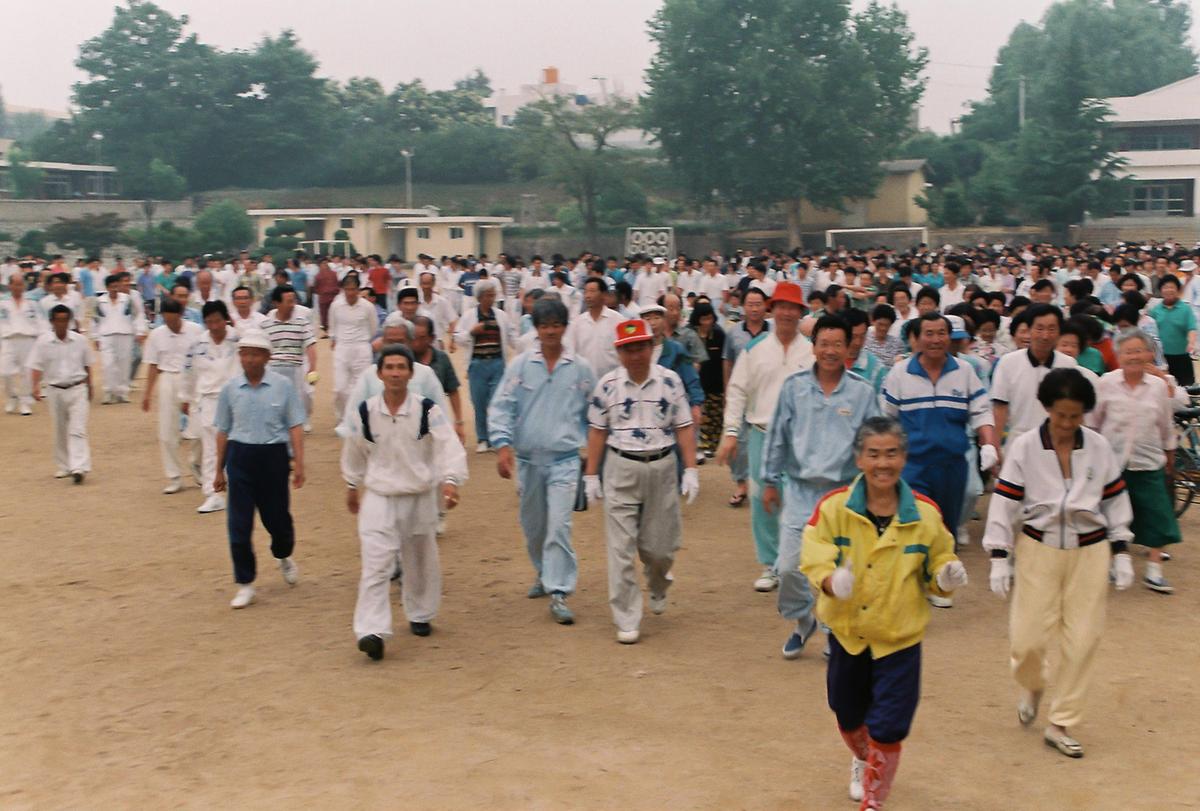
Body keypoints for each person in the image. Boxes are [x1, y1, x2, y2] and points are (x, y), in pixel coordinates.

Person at [801, 417, 966, 809]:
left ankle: (873, 800)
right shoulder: (834, 508)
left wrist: (946, 577)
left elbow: (938, 562)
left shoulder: (924, 515)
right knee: (846, 711)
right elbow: (813, 553)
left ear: (904, 458)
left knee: (890, 725)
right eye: (873, 454)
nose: (883, 463)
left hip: (899, 637)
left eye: (891, 453)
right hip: (849, 632)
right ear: (859, 459)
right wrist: (828, 580)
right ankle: (862, 757)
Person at [983, 368, 1134, 759]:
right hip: (1038, 548)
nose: (1067, 424)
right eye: (1060, 415)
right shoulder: (1025, 447)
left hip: (1090, 551)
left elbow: (1115, 499)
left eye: (1075, 416)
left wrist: (1121, 550)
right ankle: (1033, 684)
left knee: (1083, 639)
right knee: (1027, 640)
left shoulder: (1099, 448)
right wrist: (999, 555)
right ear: (1047, 408)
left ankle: (1061, 721)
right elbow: (1005, 502)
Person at [763, 316, 880, 660]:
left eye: (837, 345)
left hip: (845, 495)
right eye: (823, 344)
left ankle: (832, 629)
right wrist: (769, 480)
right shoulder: (794, 388)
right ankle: (803, 620)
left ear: (848, 348)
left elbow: (874, 443)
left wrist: (875, 490)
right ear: (813, 347)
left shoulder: (862, 392)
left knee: (840, 570)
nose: (830, 351)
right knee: (788, 567)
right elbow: (777, 438)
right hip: (799, 492)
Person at [342, 344, 467, 660]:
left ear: (411, 374)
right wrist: (351, 484)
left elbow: (447, 446)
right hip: (380, 496)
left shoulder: (428, 411)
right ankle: (372, 630)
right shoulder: (365, 412)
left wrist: (450, 480)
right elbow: (354, 451)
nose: (395, 373)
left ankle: (421, 614)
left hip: (418, 494)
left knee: (420, 558)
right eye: (389, 367)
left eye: (401, 367)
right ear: (379, 373)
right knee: (376, 564)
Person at [584, 319, 700, 644]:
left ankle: (659, 580)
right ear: (619, 352)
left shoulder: (670, 381)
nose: (635, 355)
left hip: (662, 467)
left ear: (652, 348)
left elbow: (684, 426)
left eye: (641, 347)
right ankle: (626, 616)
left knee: (660, 547)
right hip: (620, 466)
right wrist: (591, 474)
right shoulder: (607, 385)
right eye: (628, 349)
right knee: (619, 549)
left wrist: (690, 469)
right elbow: (596, 430)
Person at [489, 298, 597, 625]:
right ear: (535, 329)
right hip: (528, 461)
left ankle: (559, 590)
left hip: (565, 460)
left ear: (565, 327)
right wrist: (502, 444)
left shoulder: (581, 368)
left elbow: (596, 413)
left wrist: (593, 456)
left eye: (556, 324)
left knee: (559, 526)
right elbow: (502, 406)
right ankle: (542, 572)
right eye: (544, 325)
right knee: (534, 526)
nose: (550, 331)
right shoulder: (521, 366)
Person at [880, 313, 999, 572]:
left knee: (946, 528)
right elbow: (886, 420)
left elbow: (981, 411)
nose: (936, 340)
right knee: (915, 521)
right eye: (929, 334)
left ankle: (940, 577)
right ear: (917, 338)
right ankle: (910, 576)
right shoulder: (899, 374)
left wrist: (988, 444)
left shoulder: (964, 371)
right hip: (913, 466)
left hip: (953, 465)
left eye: (941, 333)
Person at [718, 282, 814, 592]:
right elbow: (736, 391)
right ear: (773, 310)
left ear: (800, 312)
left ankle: (804, 562)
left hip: (801, 437)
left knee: (802, 497)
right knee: (763, 499)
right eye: (782, 306)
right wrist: (731, 432)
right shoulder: (754, 349)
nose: (787, 313)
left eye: (793, 307)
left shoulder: (812, 350)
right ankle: (771, 564)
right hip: (762, 434)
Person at [212, 330, 305, 609]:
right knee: (238, 524)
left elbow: (295, 425)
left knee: (278, 520)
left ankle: (283, 554)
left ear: (267, 357)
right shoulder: (230, 389)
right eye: (245, 354)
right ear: (240, 357)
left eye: (256, 354)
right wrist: (218, 470)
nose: (250, 359)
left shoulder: (282, 386)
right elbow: (223, 430)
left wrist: (299, 461)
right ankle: (245, 582)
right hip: (240, 457)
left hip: (273, 457)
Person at [1087, 330, 1182, 593]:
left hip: (1149, 461)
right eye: (1128, 351)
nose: (1134, 356)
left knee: (1156, 515)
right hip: (1112, 464)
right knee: (1110, 515)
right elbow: (1093, 423)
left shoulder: (1159, 387)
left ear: (1150, 354)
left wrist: (1170, 454)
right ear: (1118, 355)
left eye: (1140, 350)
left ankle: (1154, 570)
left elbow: (1165, 424)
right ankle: (1114, 562)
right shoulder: (1105, 382)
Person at [142, 298, 203, 494]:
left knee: (200, 428)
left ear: (180, 314)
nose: (170, 324)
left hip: (193, 380)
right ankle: (174, 476)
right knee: (167, 431)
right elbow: (153, 365)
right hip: (167, 379)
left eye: (173, 320)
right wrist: (147, 393)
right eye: (166, 320)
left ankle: (197, 463)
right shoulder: (157, 335)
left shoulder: (196, 330)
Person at [990, 304, 1077, 443]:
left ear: (1059, 332)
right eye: (1039, 328)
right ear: (1029, 330)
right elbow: (1000, 407)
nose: (1045, 336)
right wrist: (995, 445)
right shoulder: (1008, 363)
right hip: (1018, 440)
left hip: (1057, 442)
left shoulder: (1068, 365)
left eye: (1051, 329)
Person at [184, 301, 240, 514]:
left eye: (217, 320)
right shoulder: (198, 345)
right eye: (209, 322)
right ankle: (213, 493)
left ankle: (238, 487)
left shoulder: (239, 339)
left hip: (236, 396)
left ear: (225, 318)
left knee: (237, 444)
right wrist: (187, 399)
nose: (214, 326)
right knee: (211, 447)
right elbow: (189, 374)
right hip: (208, 399)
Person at [27, 305, 93, 482]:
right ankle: (64, 465)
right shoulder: (43, 342)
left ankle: (79, 467)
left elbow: (87, 364)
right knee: (60, 429)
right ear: (52, 322)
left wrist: (90, 385)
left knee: (77, 429)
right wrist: (35, 386)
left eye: (65, 320)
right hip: (55, 389)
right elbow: (36, 365)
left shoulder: (80, 340)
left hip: (78, 388)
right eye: (58, 320)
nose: (62, 324)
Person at [721, 286, 770, 508]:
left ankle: (765, 485)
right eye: (750, 304)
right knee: (738, 441)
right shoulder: (734, 333)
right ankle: (741, 484)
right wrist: (727, 393)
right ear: (743, 306)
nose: (754, 308)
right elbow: (727, 363)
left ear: (765, 306)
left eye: (758, 304)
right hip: (741, 395)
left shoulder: (774, 331)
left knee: (766, 440)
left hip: (767, 395)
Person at [453, 279, 514, 452]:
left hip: (497, 363)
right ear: (479, 297)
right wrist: (472, 332)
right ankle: (482, 438)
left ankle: (496, 438)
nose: (492, 298)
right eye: (488, 295)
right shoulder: (469, 316)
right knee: (479, 403)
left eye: (493, 295)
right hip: (477, 364)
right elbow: (458, 337)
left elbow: (511, 336)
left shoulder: (501, 316)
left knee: (496, 402)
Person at [261, 285, 317, 430]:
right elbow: (262, 348)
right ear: (276, 303)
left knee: (300, 399)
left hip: (295, 368)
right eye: (289, 301)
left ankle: (299, 423)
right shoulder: (266, 324)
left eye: (294, 300)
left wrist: (312, 368)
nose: (293, 305)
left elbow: (310, 346)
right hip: (273, 369)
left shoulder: (302, 322)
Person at [328, 272, 379, 418]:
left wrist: (363, 342)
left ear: (358, 290)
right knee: (340, 388)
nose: (350, 293)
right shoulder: (336, 306)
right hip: (342, 348)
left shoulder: (367, 307)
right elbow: (332, 326)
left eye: (353, 289)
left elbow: (373, 328)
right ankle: (342, 417)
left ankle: (357, 418)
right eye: (347, 289)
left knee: (361, 386)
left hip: (362, 348)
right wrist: (334, 339)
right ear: (343, 290)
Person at [94, 273, 145, 404]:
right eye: (111, 287)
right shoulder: (100, 301)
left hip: (125, 334)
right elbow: (95, 320)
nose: (114, 289)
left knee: (124, 364)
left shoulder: (127, 300)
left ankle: (122, 392)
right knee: (108, 364)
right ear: (107, 287)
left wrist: (140, 331)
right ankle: (108, 392)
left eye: (116, 286)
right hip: (106, 335)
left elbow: (137, 315)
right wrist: (94, 337)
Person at [1, 270, 46, 415]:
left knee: (27, 372)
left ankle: (25, 402)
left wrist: (43, 338)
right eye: (15, 285)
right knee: (5, 372)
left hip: (28, 340)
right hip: (9, 339)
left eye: (21, 285)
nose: (18, 287)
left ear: (24, 286)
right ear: (9, 286)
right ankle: (12, 396)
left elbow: (41, 322)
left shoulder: (32, 303)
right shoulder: (3, 303)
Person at [564, 277, 623, 379]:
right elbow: (571, 353)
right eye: (585, 292)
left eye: (592, 291)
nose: (587, 296)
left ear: (604, 295)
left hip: (613, 380)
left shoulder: (618, 321)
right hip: (584, 380)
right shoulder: (577, 323)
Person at [690, 301, 726, 457]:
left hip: (716, 381)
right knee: (701, 416)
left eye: (710, 318)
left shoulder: (719, 334)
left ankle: (713, 444)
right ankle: (701, 446)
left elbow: (724, 360)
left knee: (716, 416)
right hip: (697, 382)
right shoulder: (689, 334)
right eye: (704, 319)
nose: (707, 322)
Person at [1149, 274, 1197, 386]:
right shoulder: (1156, 310)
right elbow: (1150, 332)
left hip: (1182, 356)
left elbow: (1191, 328)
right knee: (1164, 387)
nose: (1169, 290)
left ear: (1177, 290)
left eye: (1172, 287)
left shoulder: (1185, 309)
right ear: (1161, 290)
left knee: (1186, 387)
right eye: (1165, 287)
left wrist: (1191, 342)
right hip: (1162, 358)